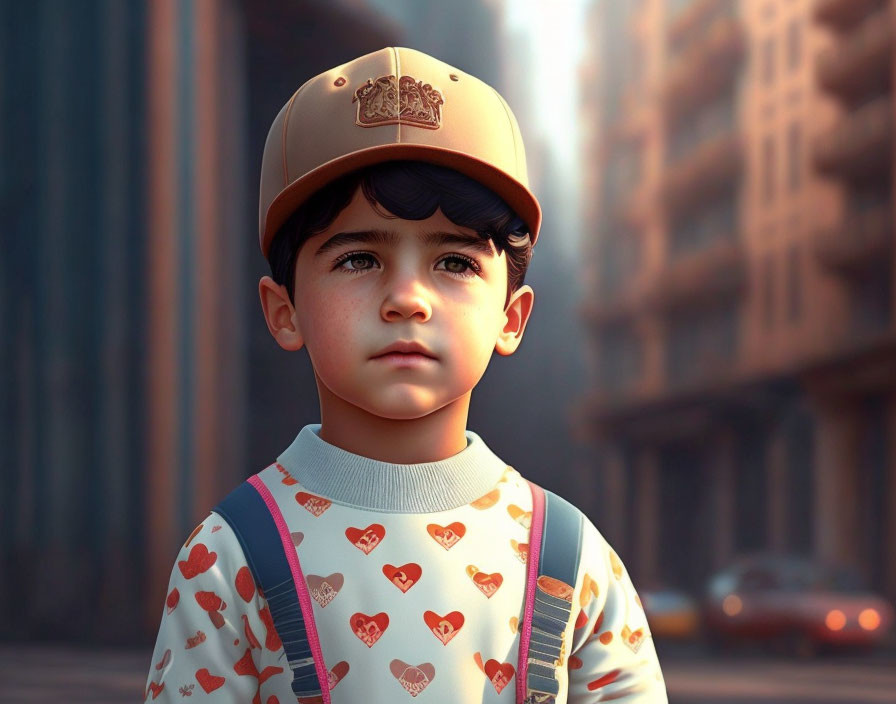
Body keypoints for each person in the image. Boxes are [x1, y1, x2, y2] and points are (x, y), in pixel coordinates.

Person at [144, 46, 667, 703]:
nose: (408, 298)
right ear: (284, 311)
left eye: (454, 263)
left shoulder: (571, 559)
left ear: (512, 315)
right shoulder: (227, 558)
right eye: (359, 258)